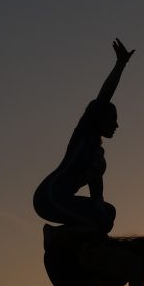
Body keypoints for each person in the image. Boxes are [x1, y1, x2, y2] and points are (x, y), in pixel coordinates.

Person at [33, 38, 133, 233]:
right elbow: (104, 96)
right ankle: (55, 235)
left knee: (108, 214)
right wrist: (120, 65)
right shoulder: (84, 135)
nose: (116, 125)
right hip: (50, 196)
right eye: (112, 120)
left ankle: (84, 248)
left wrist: (101, 215)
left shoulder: (98, 155)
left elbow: (97, 193)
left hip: (63, 198)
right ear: (100, 118)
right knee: (101, 222)